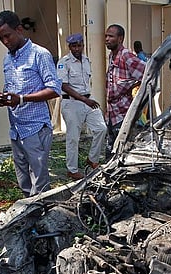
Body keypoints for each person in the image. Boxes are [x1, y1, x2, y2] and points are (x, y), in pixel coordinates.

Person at [0, 10, 60, 197]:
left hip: (36, 127)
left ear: (19, 29)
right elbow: (15, 89)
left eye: (7, 35)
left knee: (39, 182)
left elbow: (54, 89)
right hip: (16, 128)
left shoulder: (39, 54)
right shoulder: (8, 58)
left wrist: (21, 99)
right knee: (24, 181)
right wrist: (6, 98)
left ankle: (43, 215)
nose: (5, 41)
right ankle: (28, 216)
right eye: (0, 37)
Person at [57, 33, 107, 180]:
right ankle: (72, 170)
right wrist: (84, 101)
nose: (77, 48)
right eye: (73, 46)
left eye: (79, 45)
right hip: (71, 102)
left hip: (87, 99)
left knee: (101, 128)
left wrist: (86, 100)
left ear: (83, 45)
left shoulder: (86, 60)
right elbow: (64, 85)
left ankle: (92, 159)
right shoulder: (64, 62)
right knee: (73, 138)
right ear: (69, 47)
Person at [105, 24, 146, 158]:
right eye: (106, 36)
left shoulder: (126, 55)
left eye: (111, 36)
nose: (107, 39)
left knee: (124, 152)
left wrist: (136, 92)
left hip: (124, 112)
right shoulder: (112, 55)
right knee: (111, 151)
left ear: (120, 38)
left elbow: (148, 73)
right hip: (112, 112)